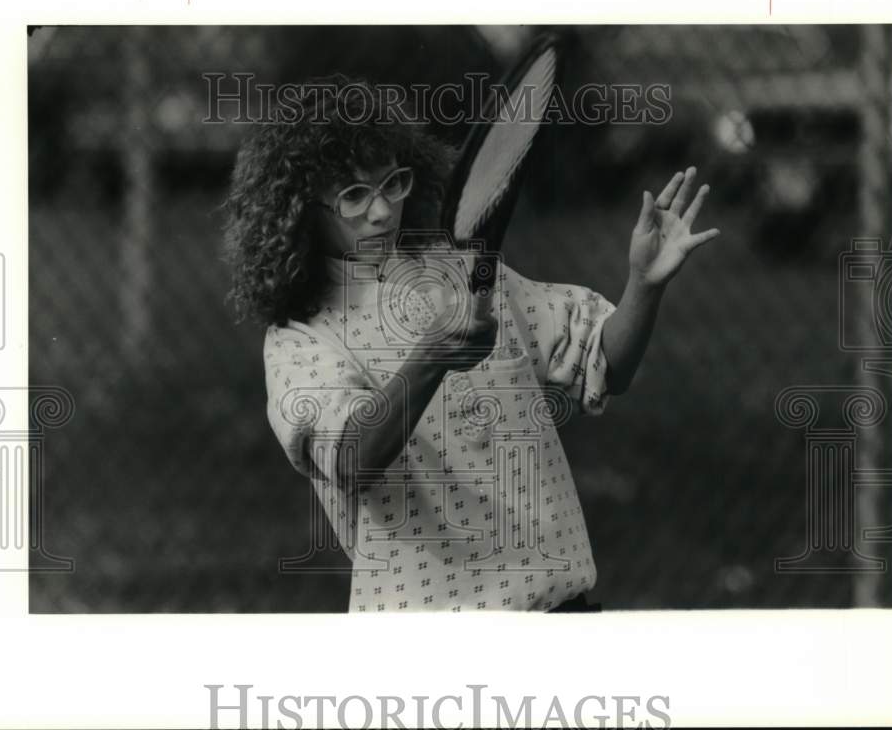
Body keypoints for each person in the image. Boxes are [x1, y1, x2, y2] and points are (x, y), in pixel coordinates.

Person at [222, 79, 719, 612]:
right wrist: (435, 356)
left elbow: (604, 365)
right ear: (302, 211)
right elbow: (350, 459)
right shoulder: (301, 339)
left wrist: (643, 283)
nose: (383, 211)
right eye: (353, 195)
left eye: (393, 183)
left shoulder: (464, 271)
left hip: (563, 616)